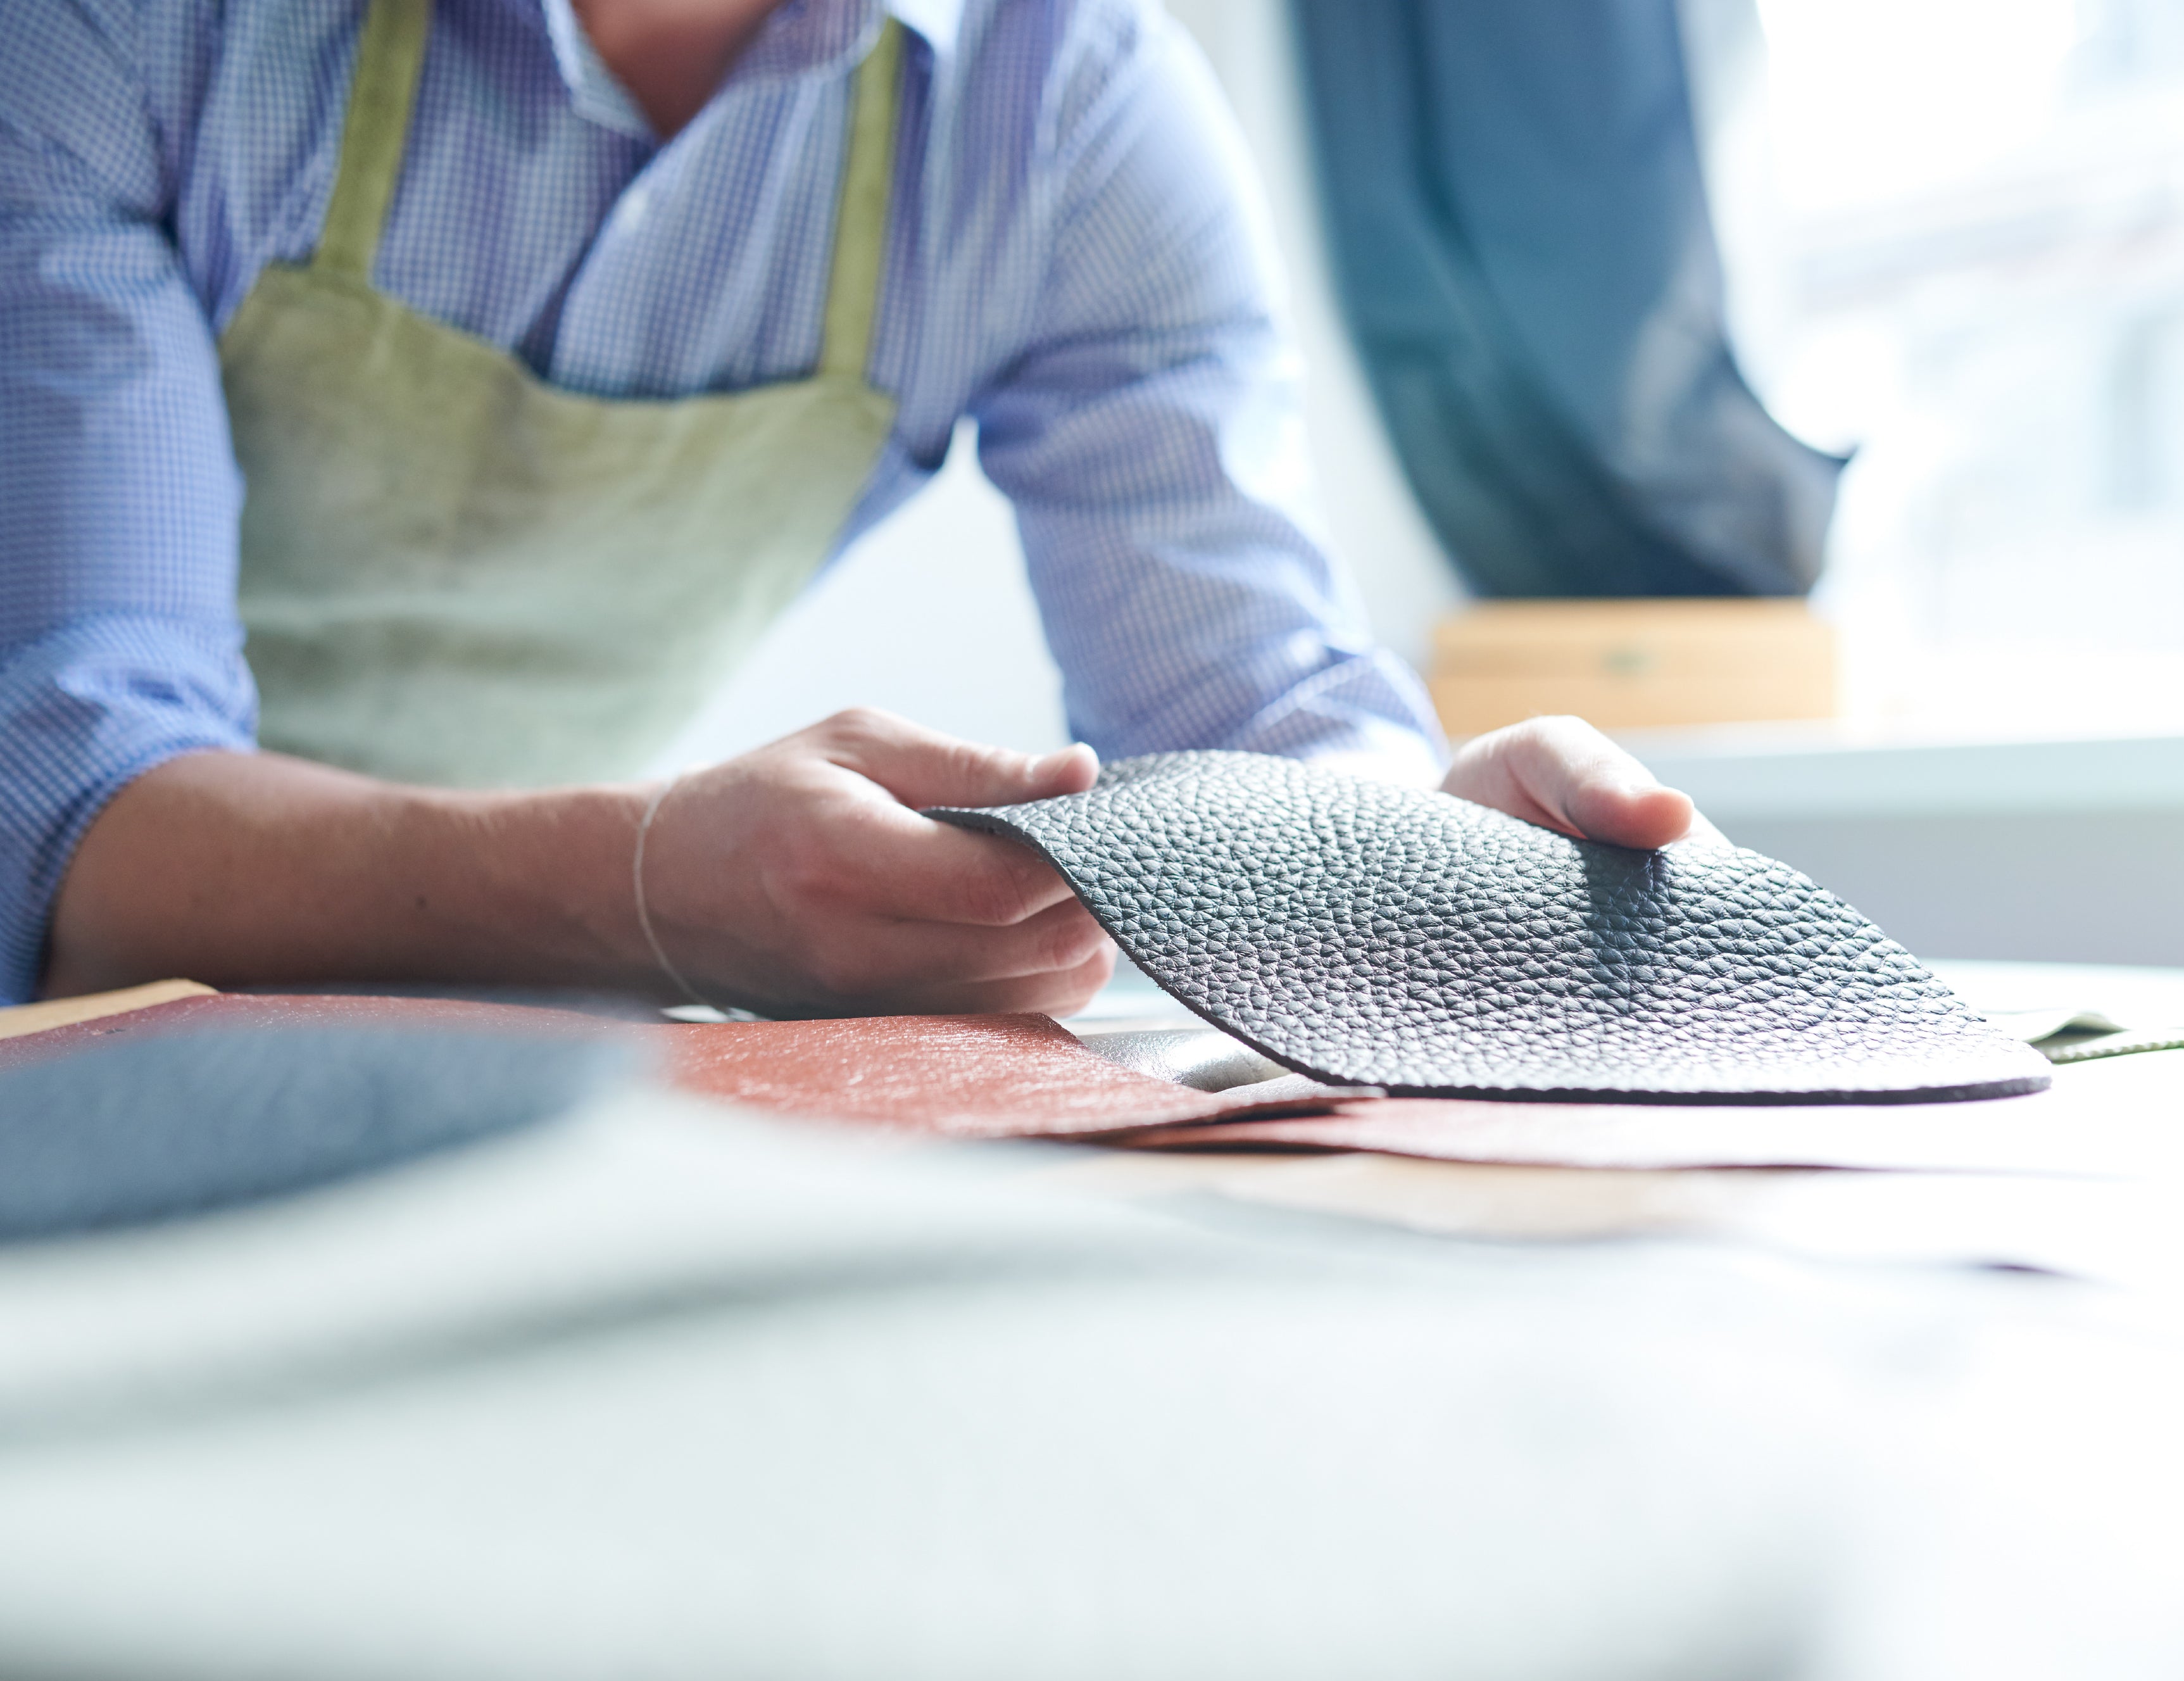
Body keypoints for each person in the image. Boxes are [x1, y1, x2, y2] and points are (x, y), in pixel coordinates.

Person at [1, 0, 1697, 1018]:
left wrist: (1413, 861)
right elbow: (71, 826)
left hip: (506, 1059)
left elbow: (1249, 713)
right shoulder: (114, 32)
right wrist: (648, 885)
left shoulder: (1076, 112)